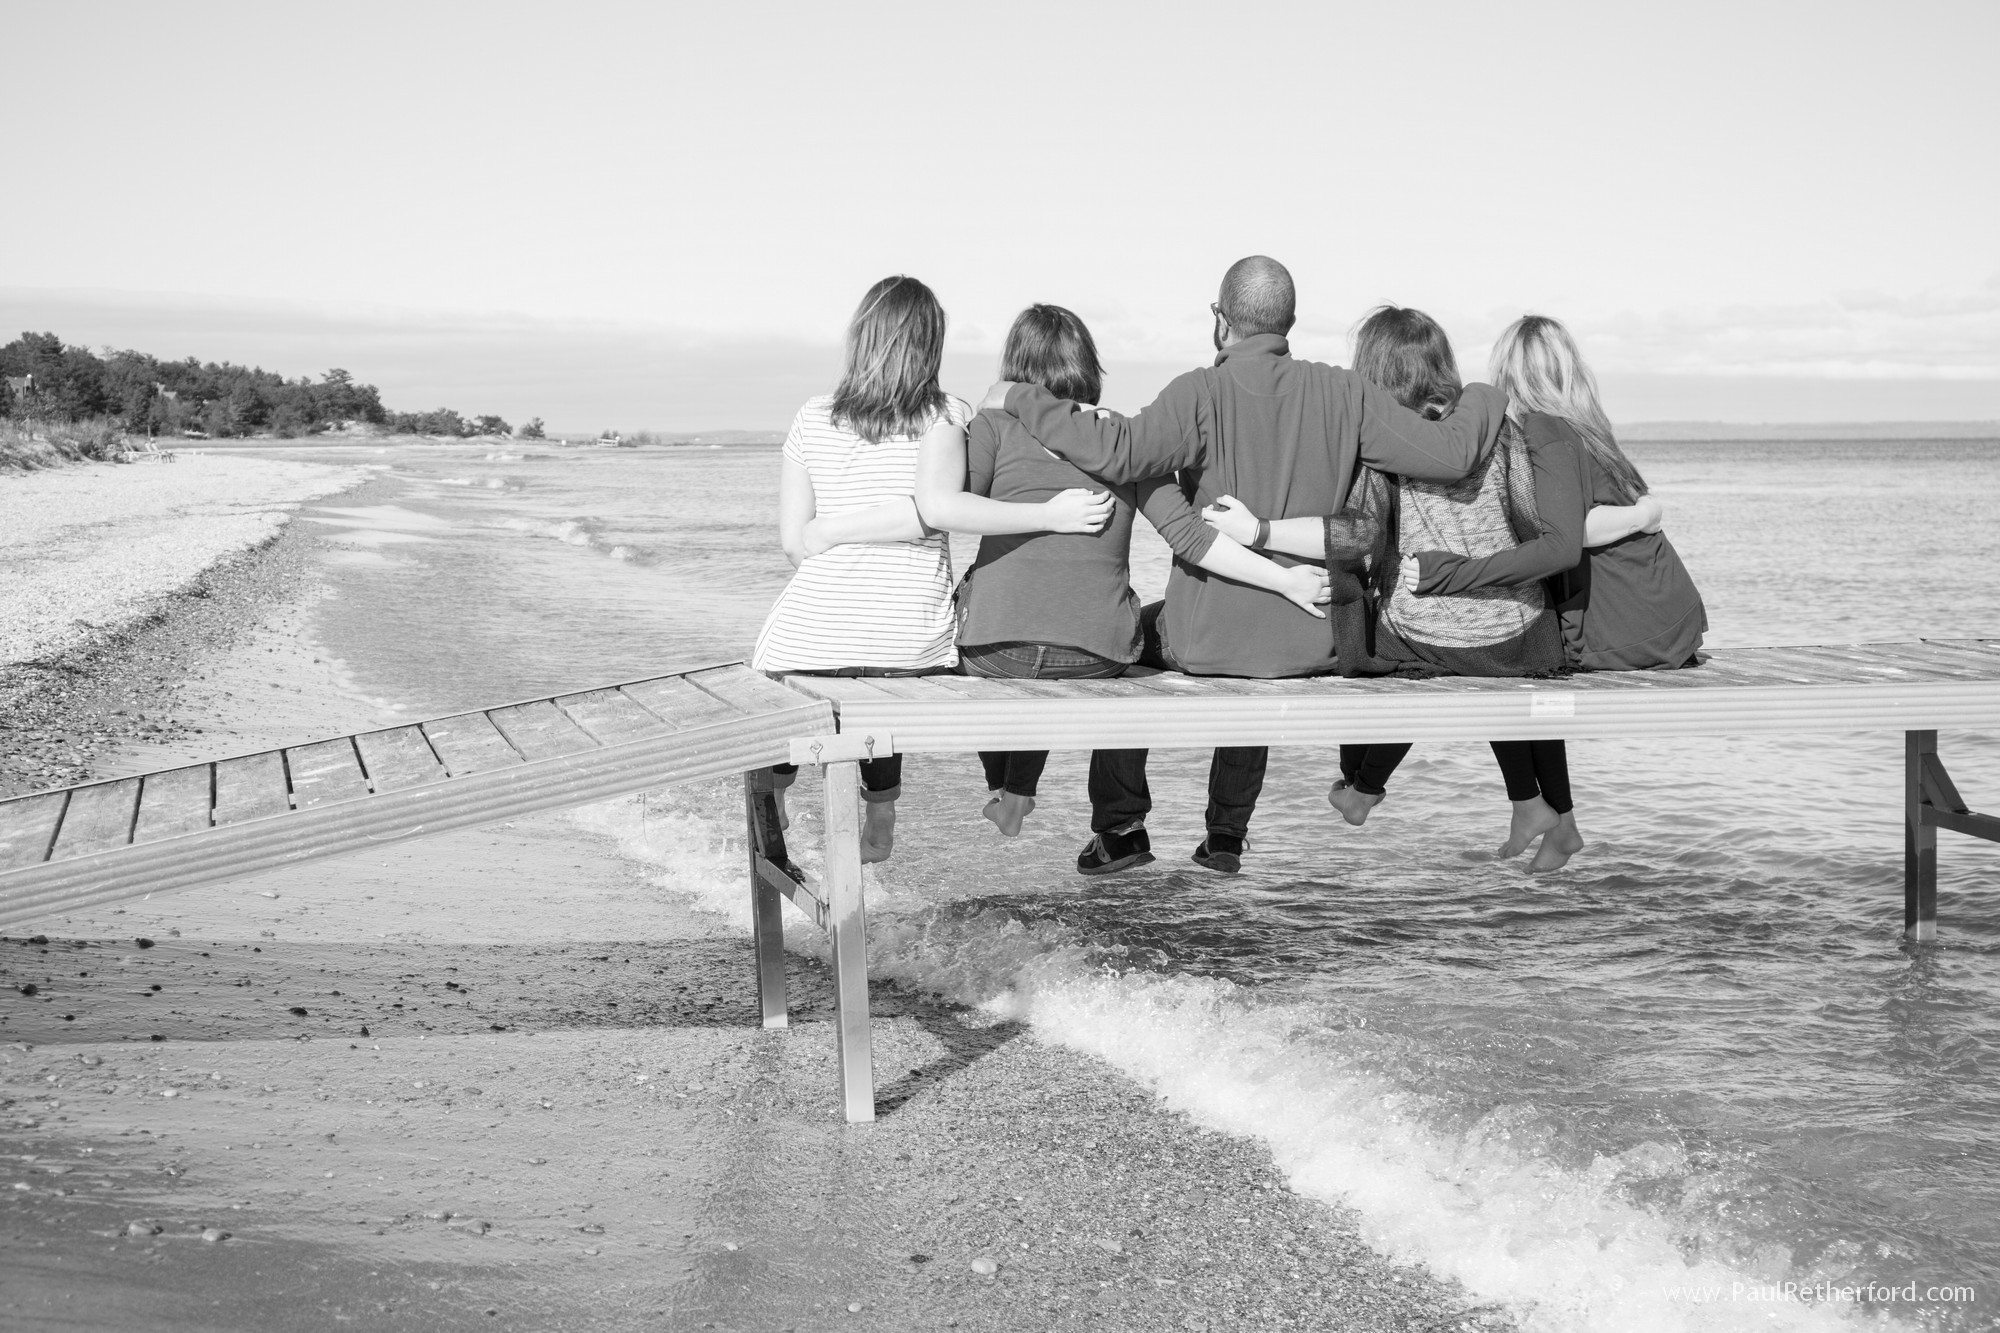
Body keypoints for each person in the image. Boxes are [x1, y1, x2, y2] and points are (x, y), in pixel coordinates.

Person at [981, 256, 1509, 875]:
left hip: (1206, 639)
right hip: (1315, 638)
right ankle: (1226, 837)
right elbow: (1449, 455)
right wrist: (1488, 391)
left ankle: (1121, 829)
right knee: (1256, 656)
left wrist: (1022, 397)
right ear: (1290, 321)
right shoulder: (1345, 390)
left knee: (1126, 645)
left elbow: (1114, 450)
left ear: (1219, 319)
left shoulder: (1198, 391)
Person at [1203, 306, 1661, 870]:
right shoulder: (1498, 433)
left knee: (1382, 643)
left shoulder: (1382, 444)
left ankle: (1361, 785)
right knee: (1486, 671)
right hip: (1517, 638)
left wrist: (1262, 531)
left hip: (1424, 636)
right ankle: (1528, 803)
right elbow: (1532, 521)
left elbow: (1357, 536)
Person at [751, 275, 1113, 863]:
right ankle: (882, 805)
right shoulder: (946, 415)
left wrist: (832, 531)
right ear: (932, 346)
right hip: (910, 643)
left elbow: (796, 545)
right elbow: (937, 511)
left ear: (860, 336)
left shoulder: (811, 417)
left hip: (802, 638)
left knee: (787, 688)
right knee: (884, 662)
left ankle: (778, 793)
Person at [953, 304, 1332, 850]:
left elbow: (953, 503)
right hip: (1096, 657)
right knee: (1096, 630)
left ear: (1015, 367)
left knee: (991, 609)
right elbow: (1194, 540)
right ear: (1087, 365)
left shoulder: (992, 426)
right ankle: (1128, 822)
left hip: (993, 654)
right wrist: (1284, 581)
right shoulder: (1123, 440)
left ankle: (1010, 791)